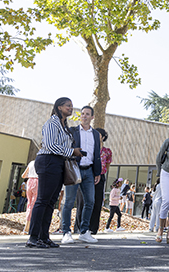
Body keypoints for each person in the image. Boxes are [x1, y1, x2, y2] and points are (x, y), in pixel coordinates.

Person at [26, 97, 83, 248]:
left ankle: (44, 237)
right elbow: (50, 145)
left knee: (51, 202)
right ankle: (33, 237)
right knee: (43, 200)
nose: (71, 108)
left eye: (71, 106)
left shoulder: (64, 125)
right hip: (47, 161)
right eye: (67, 106)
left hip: (59, 162)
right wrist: (72, 151)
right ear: (59, 107)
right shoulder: (52, 122)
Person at [61, 105, 102, 245]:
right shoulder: (72, 131)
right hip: (74, 169)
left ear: (92, 117)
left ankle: (84, 232)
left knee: (90, 201)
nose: (84, 116)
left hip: (89, 171)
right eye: (82, 113)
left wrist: (98, 172)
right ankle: (66, 232)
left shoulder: (96, 134)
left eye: (87, 114)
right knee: (69, 202)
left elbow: (97, 154)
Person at [90, 127, 111, 234]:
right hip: (89, 175)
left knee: (97, 201)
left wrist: (100, 173)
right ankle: (82, 227)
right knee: (87, 201)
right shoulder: (90, 148)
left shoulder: (107, 151)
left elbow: (107, 165)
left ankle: (93, 228)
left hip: (100, 176)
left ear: (103, 137)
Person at [22, 160, 38, 234]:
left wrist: (29, 175)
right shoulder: (41, 162)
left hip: (29, 181)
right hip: (37, 181)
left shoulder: (31, 162)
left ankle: (26, 226)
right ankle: (29, 227)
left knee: (29, 204)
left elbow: (23, 175)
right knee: (34, 205)